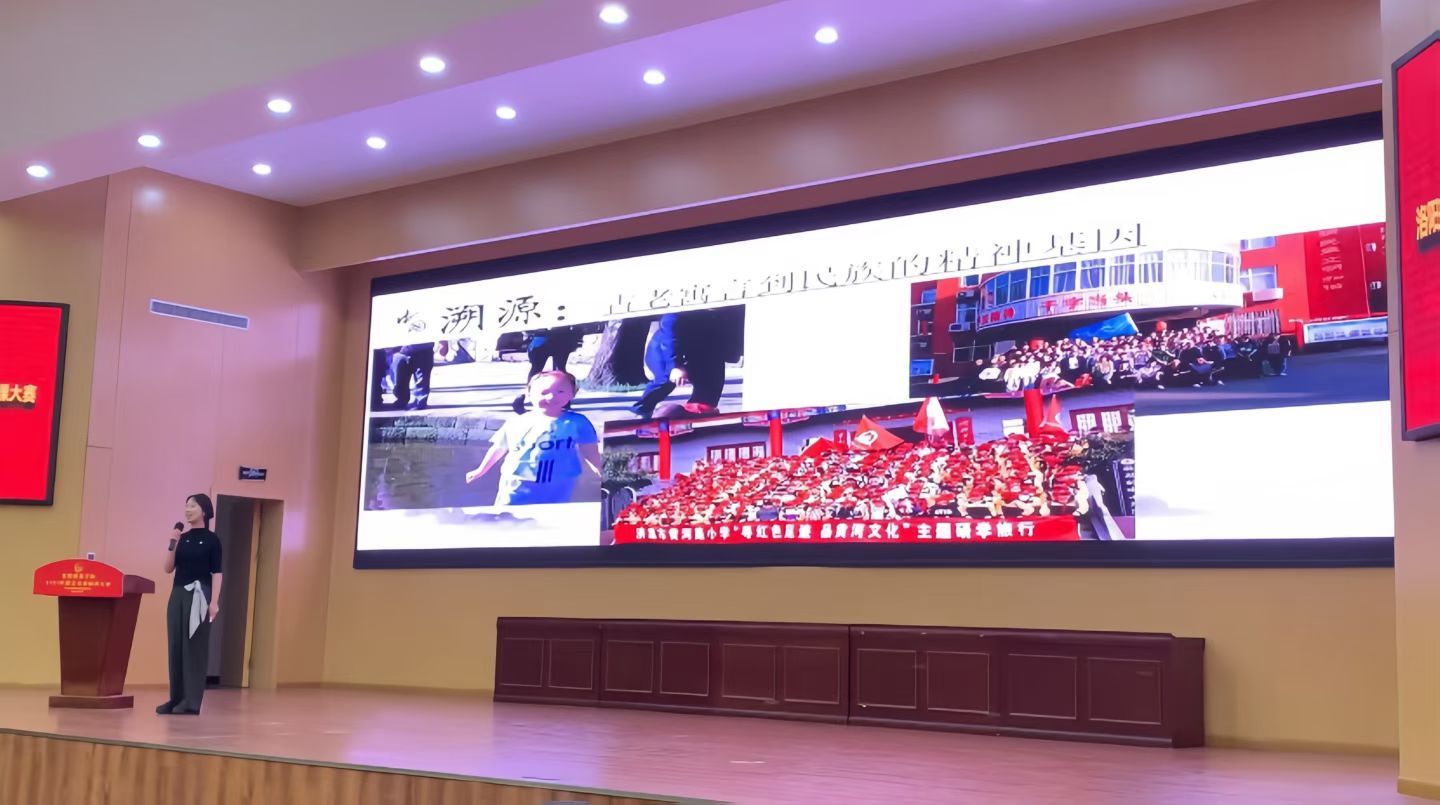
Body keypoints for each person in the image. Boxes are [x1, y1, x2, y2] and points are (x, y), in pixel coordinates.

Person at [466, 371, 601, 505]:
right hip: (518, 482)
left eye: (560, 391)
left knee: (555, 513)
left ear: (572, 393)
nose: (551, 396)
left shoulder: (578, 423)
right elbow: (499, 448)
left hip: (560, 482)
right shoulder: (517, 422)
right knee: (509, 512)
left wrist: (602, 472)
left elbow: (590, 451)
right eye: (544, 392)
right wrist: (481, 470)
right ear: (529, 394)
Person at [157, 493, 222, 716]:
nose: (187, 509)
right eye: (186, 505)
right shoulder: (181, 538)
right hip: (178, 594)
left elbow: (217, 572)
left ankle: (191, 701)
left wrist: (214, 602)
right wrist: (172, 542)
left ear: (204, 510)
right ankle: (176, 698)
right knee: (176, 645)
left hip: (200, 595)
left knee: (194, 647)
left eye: (192, 506)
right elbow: (168, 568)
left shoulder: (212, 540)